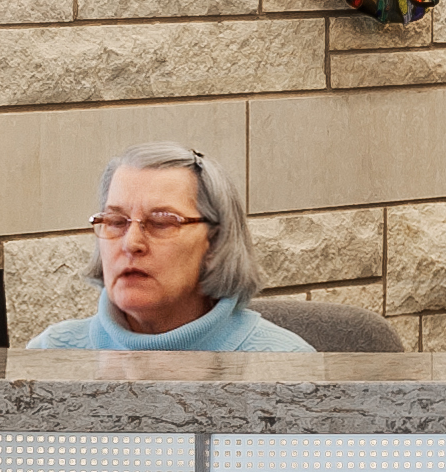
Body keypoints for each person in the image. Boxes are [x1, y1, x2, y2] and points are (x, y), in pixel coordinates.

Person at [28, 145, 314, 352]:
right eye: (116, 222)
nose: (131, 243)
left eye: (162, 223)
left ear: (215, 241)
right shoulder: (50, 354)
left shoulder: (286, 367)